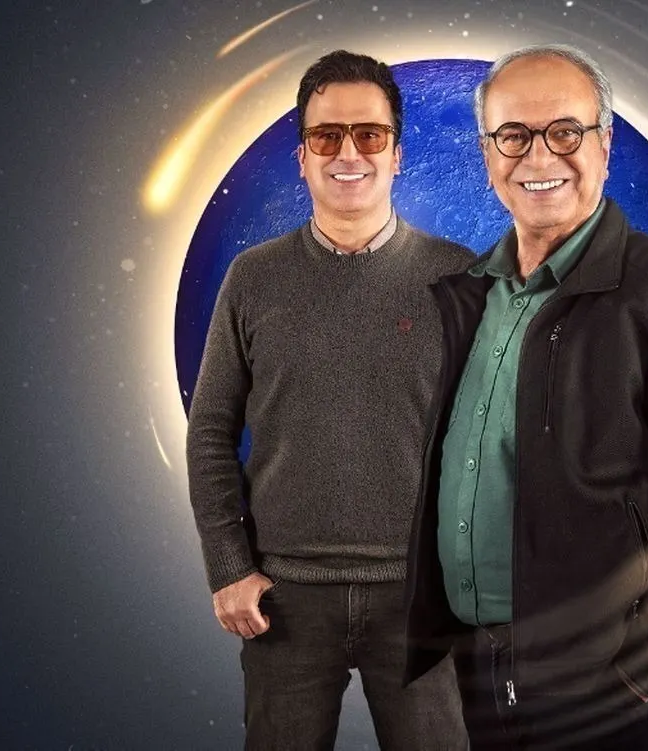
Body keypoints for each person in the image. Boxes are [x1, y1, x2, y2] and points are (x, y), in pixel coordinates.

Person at [403, 44, 648, 750]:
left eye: (565, 132)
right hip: (473, 674)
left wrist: (642, 667)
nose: (539, 156)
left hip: (606, 697)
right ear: (487, 154)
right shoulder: (465, 298)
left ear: (605, 145)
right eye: (513, 135)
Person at [186, 50, 471, 751]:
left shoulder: (461, 279)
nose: (349, 153)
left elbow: (497, 438)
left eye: (369, 134)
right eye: (326, 136)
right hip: (282, 602)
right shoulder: (252, 279)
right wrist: (229, 566)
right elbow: (211, 429)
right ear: (303, 158)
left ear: (397, 155)